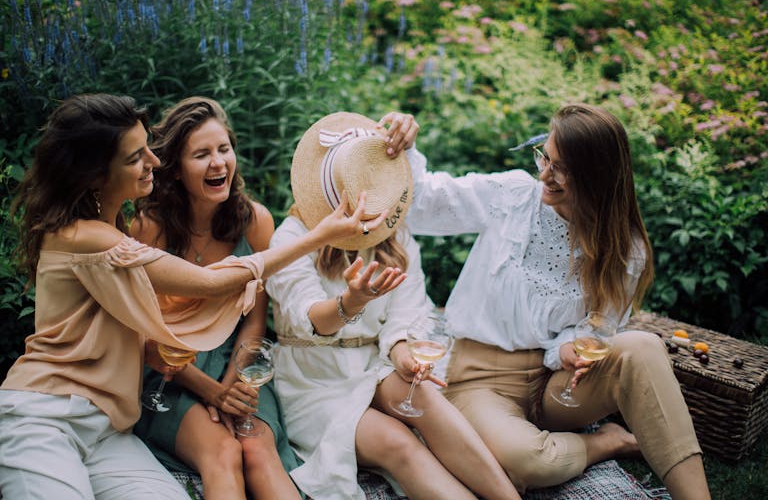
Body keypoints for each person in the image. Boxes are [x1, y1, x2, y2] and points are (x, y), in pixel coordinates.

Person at [0, 93, 374, 499]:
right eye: (135, 157)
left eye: (149, 148)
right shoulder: (90, 238)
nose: (154, 162)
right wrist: (319, 235)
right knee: (221, 453)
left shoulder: (111, 229)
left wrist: (230, 381)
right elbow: (209, 283)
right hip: (46, 415)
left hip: (109, 428)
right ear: (94, 176)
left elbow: (186, 311)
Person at [377, 104, 711, 500]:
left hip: (557, 387)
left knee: (643, 347)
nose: (545, 175)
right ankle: (606, 443)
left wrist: (569, 346)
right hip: (479, 381)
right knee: (526, 462)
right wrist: (407, 147)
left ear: (598, 177)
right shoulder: (513, 196)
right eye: (544, 157)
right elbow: (421, 205)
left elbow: (599, 328)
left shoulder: (626, 248)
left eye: (562, 168)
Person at [265, 112, 522, 500]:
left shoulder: (393, 234)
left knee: (421, 395)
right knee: (397, 441)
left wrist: (403, 353)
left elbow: (406, 313)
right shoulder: (292, 237)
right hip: (313, 380)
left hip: (372, 365)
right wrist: (351, 301)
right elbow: (311, 319)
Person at [131, 96, 302, 500]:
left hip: (236, 364)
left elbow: (255, 321)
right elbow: (144, 333)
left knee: (258, 450)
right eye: (201, 154)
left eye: (224, 149)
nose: (218, 163)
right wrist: (210, 391)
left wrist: (234, 384)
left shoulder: (255, 220)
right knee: (224, 452)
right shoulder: (148, 228)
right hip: (171, 370)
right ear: (174, 169)